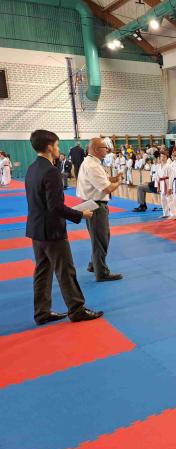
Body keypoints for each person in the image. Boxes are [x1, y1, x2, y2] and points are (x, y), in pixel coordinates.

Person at [25, 130, 102, 325]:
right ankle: (76, 309)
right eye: (57, 145)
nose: (58, 149)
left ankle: (41, 312)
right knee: (65, 270)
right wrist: (80, 214)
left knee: (42, 271)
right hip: (52, 231)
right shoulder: (51, 171)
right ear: (49, 147)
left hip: (36, 229)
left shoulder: (32, 168)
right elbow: (55, 206)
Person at [76, 138, 123, 282]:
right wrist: (119, 182)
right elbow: (107, 188)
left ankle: (94, 264)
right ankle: (101, 272)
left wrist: (113, 178)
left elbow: (103, 180)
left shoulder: (91, 162)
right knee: (100, 239)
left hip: (91, 203)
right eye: (104, 147)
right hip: (95, 205)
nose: (107, 150)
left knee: (100, 238)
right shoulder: (92, 165)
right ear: (96, 149)